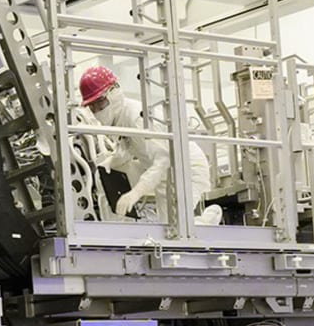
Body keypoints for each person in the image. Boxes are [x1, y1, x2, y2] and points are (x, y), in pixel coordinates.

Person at [75, 64, 222, 225]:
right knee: (103, 173)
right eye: (92, 106)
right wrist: (112, 162)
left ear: (114, 92)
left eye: (100, 103)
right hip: (161, 172)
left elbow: (163, 161)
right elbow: (129, 147)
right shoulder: (119, 118)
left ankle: (208, 221)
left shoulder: (136, 117)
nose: (97, 110)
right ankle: (116, 226)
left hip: (186, 169)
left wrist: (135, 193)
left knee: (177, 228)